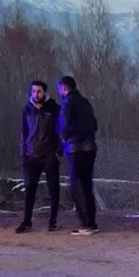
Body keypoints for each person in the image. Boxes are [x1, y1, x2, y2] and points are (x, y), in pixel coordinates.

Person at [16, 80, 62, 233]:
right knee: (30, 190)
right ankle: (27, 221)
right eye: (33, 91)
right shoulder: (27, 109)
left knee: (53, 189)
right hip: (31, 155)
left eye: (39, 91)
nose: (36, 94)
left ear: (45, 92)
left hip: (49, 154)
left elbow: (60, 131)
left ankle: (53, 221)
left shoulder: (54, 108)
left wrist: (58, 150)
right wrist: (23, 153)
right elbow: (24, 132)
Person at [57, 75, 100, 236]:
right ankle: (92, 222)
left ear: (64, 88)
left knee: (77, 186)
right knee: (87, 185)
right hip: (90, 147)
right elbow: (94, 124)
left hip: (75, 148)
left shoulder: (68, 103)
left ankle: (86, 224)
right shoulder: (86, 102)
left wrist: (64, 137)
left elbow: (64, 124)